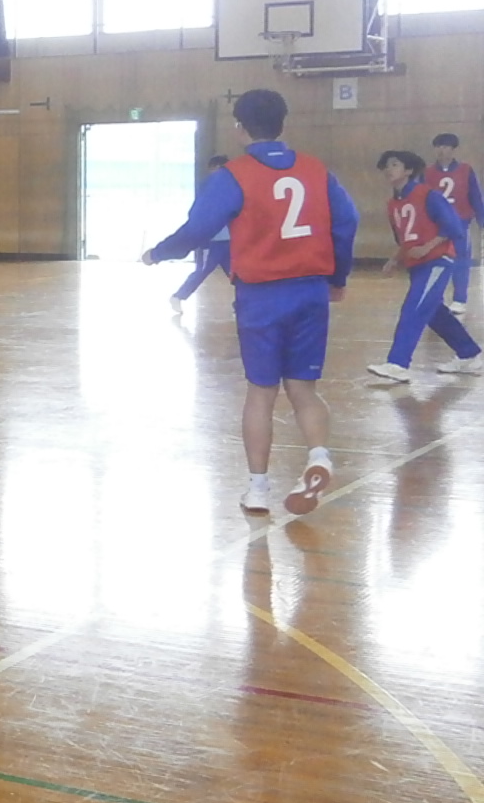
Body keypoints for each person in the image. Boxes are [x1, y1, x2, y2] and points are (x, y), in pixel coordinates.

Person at [143, 89, 355, 516]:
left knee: (261, 392)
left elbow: (197, 229)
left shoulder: (233, 175)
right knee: (303, 388)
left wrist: (158, 253)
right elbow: (347, 221)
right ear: (283, 123)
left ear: (239, 128)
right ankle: (319, 457)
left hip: (262, 295)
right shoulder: (316, 170)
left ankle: (258, 489)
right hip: (310, 290)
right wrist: (337, 277)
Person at [366, 150, 483, 382]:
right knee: (434, 312)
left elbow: (453, 228)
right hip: (416, 265)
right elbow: (404, 239)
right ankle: (469, 354)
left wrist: (427, 247)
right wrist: (394, 259)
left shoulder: (429, 195)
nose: (389, 169)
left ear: (409, 170)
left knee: (414, 307)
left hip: (437, 262)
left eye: (395, 164)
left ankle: (398, 364)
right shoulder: (393, 204)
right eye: (386, 166)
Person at [169, 155, 234, 314]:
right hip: (210, 240)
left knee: (235, 273)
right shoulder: (207, 188)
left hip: (228, 239)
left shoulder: (230, 187)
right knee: (202, 271)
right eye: (221, 169)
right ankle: (178, 296)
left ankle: (241, 304)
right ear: (213, 169)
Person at [429, 134, 481, 314]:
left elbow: (475, 196)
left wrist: (481, 220)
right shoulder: (427, 173)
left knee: (461, 261)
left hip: (460, 224)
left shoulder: (465, 170)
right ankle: (436, 300)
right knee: (436, 262)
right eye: (438, 146)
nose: (441, 150)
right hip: (436, 226)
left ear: (453, 149)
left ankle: (459, 299)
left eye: (445, 146)